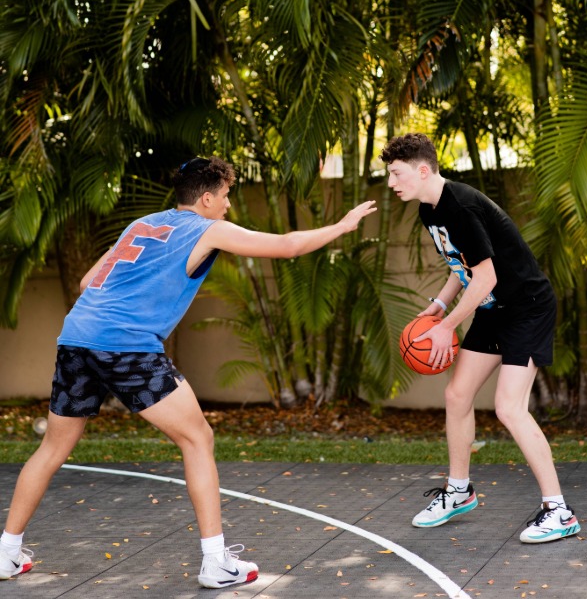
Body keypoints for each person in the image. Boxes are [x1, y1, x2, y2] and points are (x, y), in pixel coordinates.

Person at [0, 156, 377, 585]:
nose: (229, 205)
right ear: (206, 198)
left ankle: (6, 553)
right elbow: (288, 245)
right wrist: (342, 226)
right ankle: (216, 563)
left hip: (76, 338)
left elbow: (88, 283)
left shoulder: (140, 225)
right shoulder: (207, 229)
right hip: (127, 346)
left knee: (51, 448)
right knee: (198, 438)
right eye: (226, 196)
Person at [381, 133, 581, 544]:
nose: (391, 183)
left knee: (509, 407)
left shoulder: (461, 207)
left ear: (423, 170)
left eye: (396, 174)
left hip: (526, 307)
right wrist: (440, 306)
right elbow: (464, 266)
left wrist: (446, 327)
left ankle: (559, 511)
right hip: (493, 307)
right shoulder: (428, 209)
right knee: (457, 395)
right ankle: (459, 491)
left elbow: (486, 276)